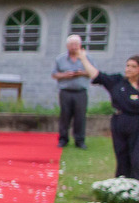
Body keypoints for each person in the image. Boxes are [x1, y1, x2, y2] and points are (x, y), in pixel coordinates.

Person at [79, 50, 139, 178]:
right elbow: (97, 76)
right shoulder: (117, 81)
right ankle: (122, 185)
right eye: (127, 65)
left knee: (136, 157)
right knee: (121, 155)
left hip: (137, 123)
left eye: (133, 66)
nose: (129, 69)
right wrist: (83, 58)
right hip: (120, 121)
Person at [53, 34, 90, 149]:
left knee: (80, 117)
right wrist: (65, 75)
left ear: (80, 45)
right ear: (67, 46)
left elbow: (93, 73)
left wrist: (81, 73)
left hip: (80, 92)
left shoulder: (86, 58)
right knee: (65, 116)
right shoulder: (60, 59)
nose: (74, 47)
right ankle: (63, 139)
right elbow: (54, 74)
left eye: (76, 44)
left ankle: (79, 140)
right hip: (65, 91)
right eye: (71, 45)